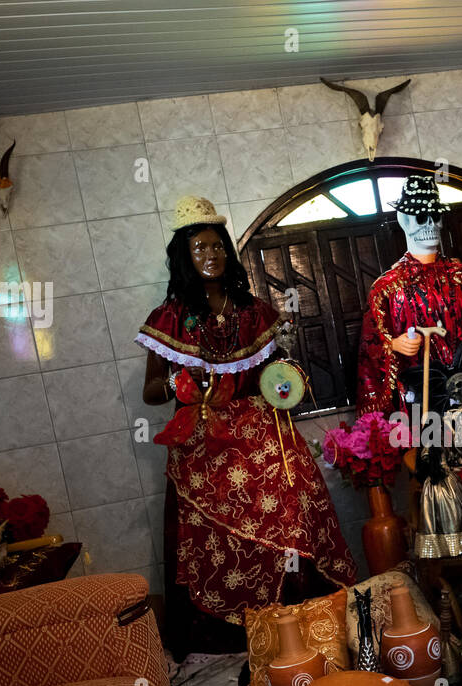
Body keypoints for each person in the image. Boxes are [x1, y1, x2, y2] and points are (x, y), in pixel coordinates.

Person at [138, 197, 357, 660]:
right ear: (184, 256)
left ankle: (304, 617)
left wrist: (286, 381)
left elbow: (274, 376)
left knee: (296, 513)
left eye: (217, 247)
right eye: (200, 248)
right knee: (216, 539)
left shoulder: (254, 310)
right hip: (205, 443)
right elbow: (151, 392)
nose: (211, 256)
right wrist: (180, 384)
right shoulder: (169, 318)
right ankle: (238, 633)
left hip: (263, 433)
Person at [356, 174, 462, 417]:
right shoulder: (387, 287)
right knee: (428, 448)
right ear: (404, 220)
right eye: (421, 217)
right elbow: (372, 344)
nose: (430, 225)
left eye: (435, 217)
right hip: (418, 389)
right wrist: (395, 344)